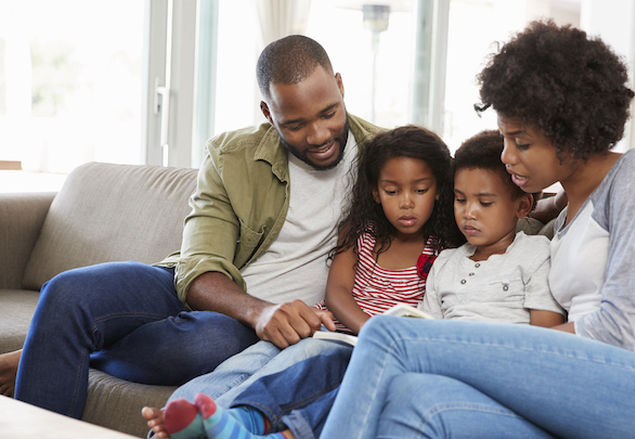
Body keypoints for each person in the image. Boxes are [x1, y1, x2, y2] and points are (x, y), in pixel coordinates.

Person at [319, 21, 635, 439]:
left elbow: (618, 327)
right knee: (415, 401)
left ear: (572, 133)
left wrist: (491, 350)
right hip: (581, 396)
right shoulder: (565, 214)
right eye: (505, 138)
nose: (507, 156)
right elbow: (520, 213)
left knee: (389, 335)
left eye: (521, 143)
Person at [1, 34, 383, 417]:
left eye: (329, 113)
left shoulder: (387, 158)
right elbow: (199, 266)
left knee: (207, 343)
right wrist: (260, 311)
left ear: (340, 85)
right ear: (268, 113)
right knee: (67, 293)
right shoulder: (233, 156)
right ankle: (55, 348)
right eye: (295, 124)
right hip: (196, 290)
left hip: (232, 333)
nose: (318, 136)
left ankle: (59, 348)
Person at [143, 126, 566, 439]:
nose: (469, 212)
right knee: (276, 357)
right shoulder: (448, 260)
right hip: (352, 337)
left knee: (328, 370)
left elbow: (543, 333)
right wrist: (377, 335)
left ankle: (238, 426)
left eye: (420, 189)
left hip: (402, 355)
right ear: (375, 191)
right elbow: (416, 316)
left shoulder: (504, 250)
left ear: (434, 191)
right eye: (462, 200)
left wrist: (560, 199)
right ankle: (205, 415)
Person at [418, 129, 563, 327]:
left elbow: (547, 334)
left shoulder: (536, 253)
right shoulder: (444, 263)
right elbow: (424, 332)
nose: (469, 213)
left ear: (521, 207)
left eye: (485, 202)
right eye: (460, 200)